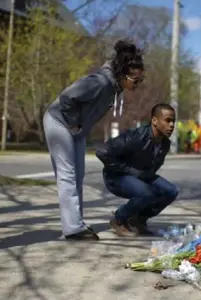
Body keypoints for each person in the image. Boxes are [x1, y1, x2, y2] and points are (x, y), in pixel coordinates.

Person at [43, 40, 145, 241]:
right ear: (123, 74)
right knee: (67, 175)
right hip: (59, 122)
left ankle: (76, 222)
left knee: (77, 175)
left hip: (75, 129)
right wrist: (73, 123)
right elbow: (67, 98)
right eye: (135, 80)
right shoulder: (100, 82)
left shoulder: (113, 86)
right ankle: (73, 228)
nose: (137, 84)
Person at [96, 103, 179, 236]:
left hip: (140, 175)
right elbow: (102, 151)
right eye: (168, 120)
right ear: (154, 121)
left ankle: (138, 220)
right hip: (116, 176)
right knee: (146, 192)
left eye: (173, 121)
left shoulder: (165, 143)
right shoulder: (136, 137)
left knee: (171, 191)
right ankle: (118, 219)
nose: (172, 125)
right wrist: (129, 170)